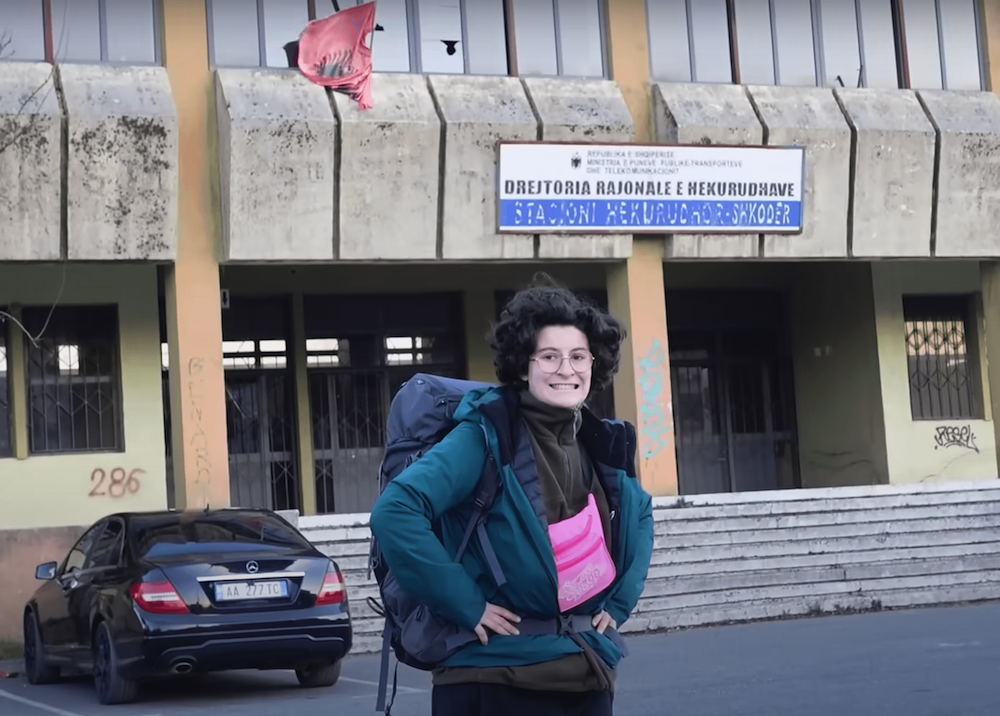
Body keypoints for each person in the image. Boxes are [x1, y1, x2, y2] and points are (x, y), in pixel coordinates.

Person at [369, 275, 654, 716]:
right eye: (550, 356)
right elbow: (396, 510)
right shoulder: (484, 436)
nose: (567, 369)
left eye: (579, 356)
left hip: (585, 669)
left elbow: (641, 513)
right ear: (524, 365)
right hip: (494, 677)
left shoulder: (598, 442)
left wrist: (617, 603)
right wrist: (467, 605)